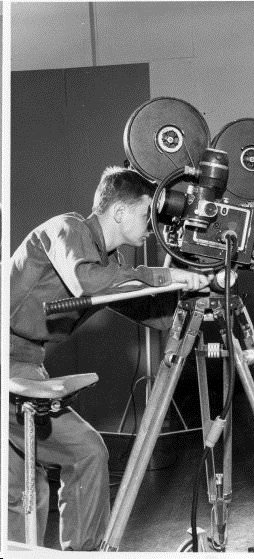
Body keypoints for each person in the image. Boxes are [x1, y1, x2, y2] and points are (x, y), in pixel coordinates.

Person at [8, 166, 212, 550]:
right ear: (120, 211)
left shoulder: (112, 264)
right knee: (45, 477)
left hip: (28, 364)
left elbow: (155, 316)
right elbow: (88, 283)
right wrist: (164, 278)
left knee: (28, 485)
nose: (152, 225)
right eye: (147, 213)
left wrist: (195, 281)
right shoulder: (67, 229)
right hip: (9, 359)